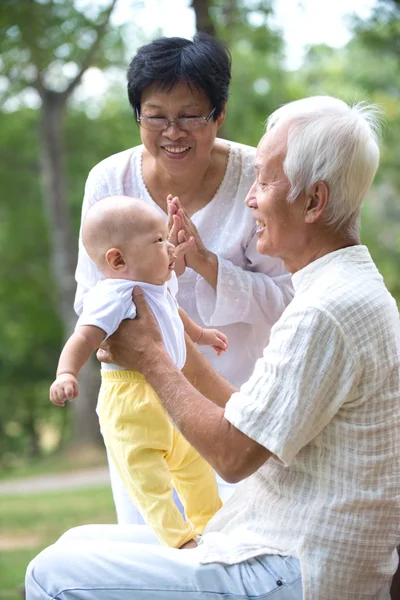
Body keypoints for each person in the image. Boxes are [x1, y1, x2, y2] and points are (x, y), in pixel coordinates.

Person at [27, 95, 400, 600]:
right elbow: (248, 415)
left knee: (50, 571)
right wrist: (171, 343)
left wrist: (153, 359)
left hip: (294, 569)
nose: (250, 197)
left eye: (266, 181)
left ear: (314, 201)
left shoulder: (324, 312)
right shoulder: (343, 289)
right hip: (286, 545)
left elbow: (230, 453)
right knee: (78, 539)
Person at [74, 33, 293, 522]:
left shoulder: (260, 179)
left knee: (238, 555)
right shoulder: (110, 182)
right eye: (156, 116)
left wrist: (205, 263)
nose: (173, 132)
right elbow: (91, 298)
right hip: (143, 409)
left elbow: (289, 304)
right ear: (138, 115)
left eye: (191, 115)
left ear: (219, 112)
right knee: (157, 547)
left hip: (240, 405)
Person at [49, 195, 225, 548]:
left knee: (194, 464)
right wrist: (66, 373)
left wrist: (201, 335)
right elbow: (84, 336)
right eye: (159, 241)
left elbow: (174, 313)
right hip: (131, 402)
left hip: (168, 393)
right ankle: (179, 539)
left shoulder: (154, 287)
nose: (170, 247)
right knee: (149, 481)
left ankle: (212, 524)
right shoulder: (113, 294)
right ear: (118, 259)